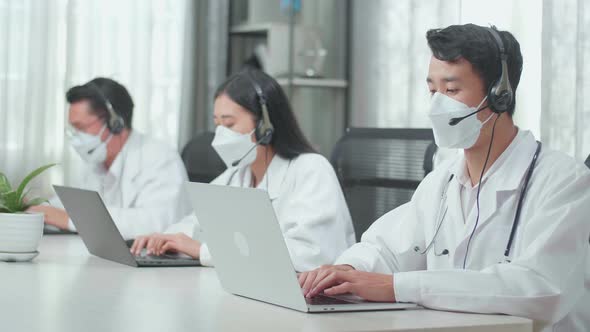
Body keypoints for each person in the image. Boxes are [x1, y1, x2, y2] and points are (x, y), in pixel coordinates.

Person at [298, 24, 590, 332]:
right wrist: (348, 270)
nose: (437, 105)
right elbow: (384, 248)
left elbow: (541, 289)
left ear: (500, 95)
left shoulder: (564, 181)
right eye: (432, 90)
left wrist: (397, 287)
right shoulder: (443, 181)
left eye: (451, 90)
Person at [130, 68, 356, 271]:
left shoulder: (311, 170)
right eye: (217, 125)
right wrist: (163, 238)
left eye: (229, 124)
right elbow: (195, 223)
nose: (220, 135)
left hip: (306, 301)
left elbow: (311, 256)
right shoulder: (236, 174)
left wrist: (203, 251)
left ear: (265, 126)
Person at [28, 78, 192, 239]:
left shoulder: (160, 157)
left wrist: (71, 220)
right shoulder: (96, 159)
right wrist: (32, 208)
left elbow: (155, 224)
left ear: (115, 122)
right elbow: (70, 205)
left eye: (81, 128)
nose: (76, 138)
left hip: (156, 262)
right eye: (73, 130)